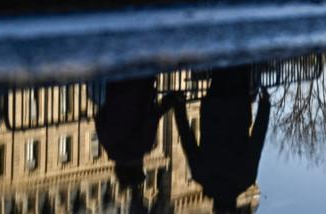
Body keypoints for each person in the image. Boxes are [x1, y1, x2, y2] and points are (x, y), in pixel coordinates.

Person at [172, 65, 270, 212]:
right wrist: (179, 107)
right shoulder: (201, 176)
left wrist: (265, 106)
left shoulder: (245, 179)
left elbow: (257, 140)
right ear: (214, 207)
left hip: (238, 108)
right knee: (220, 70)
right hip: (213, 109)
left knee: (239, 65)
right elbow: (187, 140)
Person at [94, 76, 173, 212]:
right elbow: (99, 116)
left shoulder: (143, 145)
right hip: (115, 87)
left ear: (138, 167)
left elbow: (153, 116)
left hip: (141, 87)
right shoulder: (108, 145)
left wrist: (170, 101)